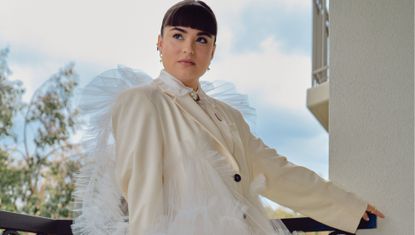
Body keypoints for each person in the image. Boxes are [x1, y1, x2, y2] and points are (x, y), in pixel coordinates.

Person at [72, 1, 384, 234]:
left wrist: (348, 206)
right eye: (178, 36)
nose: (189, 49)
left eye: (201, 40)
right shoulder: (142, 102)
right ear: (160, 42)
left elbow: (277, 171)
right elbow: (144, 194)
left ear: (212, 52)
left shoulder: (229, 117)